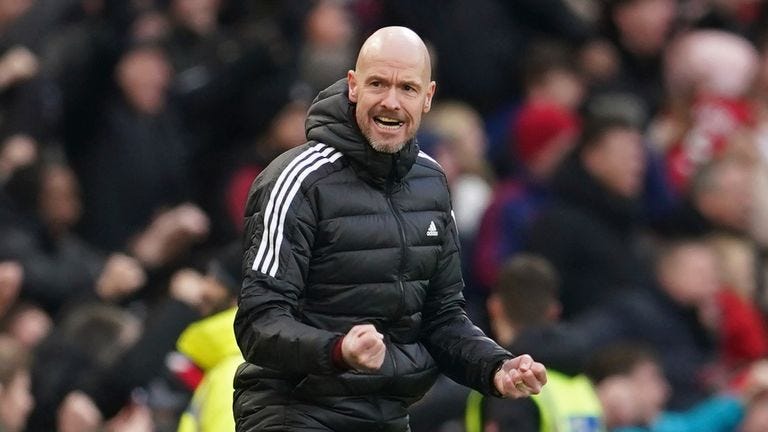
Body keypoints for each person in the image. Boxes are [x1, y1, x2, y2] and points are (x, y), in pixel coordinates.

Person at [233, 26, 547, 432]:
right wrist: (338, 349)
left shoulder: (431, 183)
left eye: (408, 88)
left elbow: (442, 319)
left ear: (428, 97)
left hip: (387, 414)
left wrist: (495, 367)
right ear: (352, 86)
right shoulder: (297, 179)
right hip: (294, 411)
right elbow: (258, 321)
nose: (391, 102)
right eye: (378, 84)